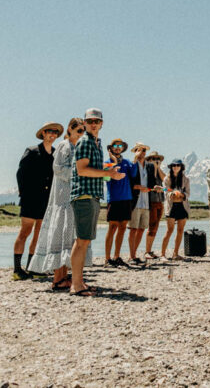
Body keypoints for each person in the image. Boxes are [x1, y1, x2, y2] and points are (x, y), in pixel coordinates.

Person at [28, 118, 90, 288]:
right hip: (63, 195)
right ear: (70, 129)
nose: (81, 134)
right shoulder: (64, 145)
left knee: (68, 235)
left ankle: (64, 276)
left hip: (72, 193)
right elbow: (58, 168)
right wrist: (80, 172)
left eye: (83, 131)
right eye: (78, 131)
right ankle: (58, 278)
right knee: (61, 234)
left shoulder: (77, 147)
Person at [69, 108, 124, 296]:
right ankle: (76, 285)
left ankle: (80, 282)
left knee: (84, 241)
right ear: (84, 123)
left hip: (91, 195)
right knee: (82, 240)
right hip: (84, 194)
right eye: (90, 121)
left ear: (101, 124)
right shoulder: (85, 141)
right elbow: (82, 169)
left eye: (97, 121)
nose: (93, 124)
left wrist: (109, 172)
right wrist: (107, 173)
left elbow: (91, 167)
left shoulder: (95, 143)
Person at [12, 122, 61, 280]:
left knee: (39, 234)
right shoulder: (32, 150)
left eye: (55, 132)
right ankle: (17, 269)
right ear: (43, 133)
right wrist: (23, 192)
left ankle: (32, 267)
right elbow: (20, 173)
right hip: (30, 198)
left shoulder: (55, 153)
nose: (52, 134)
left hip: (46, 200)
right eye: (49, 131)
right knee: (25, 232)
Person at [104, 138, 135, 267]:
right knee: (112, 228)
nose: (117, 147)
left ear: (122, 148)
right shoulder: (107, 163)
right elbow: (106, 178)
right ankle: (107, 258)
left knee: (122, 228)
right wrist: (114, 162)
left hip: (126, 198)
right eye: (115, 145)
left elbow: (133, 174)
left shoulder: (128, 162)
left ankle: (117, 256)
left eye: (120, 145)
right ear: (110, 148)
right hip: (114, 198)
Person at [160, 159, 191, 260]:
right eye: (173, 165)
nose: (175, 167)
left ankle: (175, 254)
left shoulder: (186, 179)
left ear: (181, 167)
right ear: (171, 167)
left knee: (180, 230)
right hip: (171, 207)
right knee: (169, 230)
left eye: (178, 165)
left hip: (182, 207)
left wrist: (182, 194)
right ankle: (162, 255)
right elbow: (165, 190)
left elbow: (188, 193)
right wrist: (172, 194)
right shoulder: (166, 179)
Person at [127, 142, 151, 265]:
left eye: (143, 150)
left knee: (141, 229)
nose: (142, 152)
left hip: (146, 202)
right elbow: (128, 182)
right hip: (135, 202)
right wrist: (137, 187)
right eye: (139, 150)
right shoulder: (132, 165)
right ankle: (131, 256)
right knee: (133, 229)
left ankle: (134, 254)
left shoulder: (148, 166)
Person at [142, 152, 166, 259]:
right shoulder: (147, 171)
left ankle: (150, 250)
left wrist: (158, 167)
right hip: (151, 201)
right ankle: (147, 251)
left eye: (157, 158)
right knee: (151, 226)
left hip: (160, 201)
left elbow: (165, 180)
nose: (156, 160)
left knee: (155, 227)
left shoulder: (159, 172)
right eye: (153, 158)